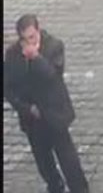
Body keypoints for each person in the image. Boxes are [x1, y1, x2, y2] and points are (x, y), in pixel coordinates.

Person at [4, 14, 89, 193]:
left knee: (69, 163)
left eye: (32, 37)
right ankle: (55, 186)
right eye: (24, 39)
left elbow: (53, 76)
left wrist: (36, 57)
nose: (28, 43)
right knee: (44, 163)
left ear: (38, 31)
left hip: (54, 115)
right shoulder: (12, 55)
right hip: (33, 119)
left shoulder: (54, 46)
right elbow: (8, 89)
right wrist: (26, 108)